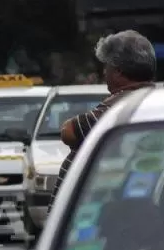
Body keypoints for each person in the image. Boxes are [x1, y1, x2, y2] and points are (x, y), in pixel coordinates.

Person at [49, 30, 157, 210]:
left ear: (119, 71)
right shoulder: (156, 97)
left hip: (98, 209)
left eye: (107, 67)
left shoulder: (122, 103)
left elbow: (69, 132)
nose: (104, 72)